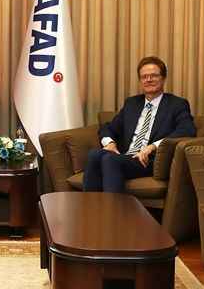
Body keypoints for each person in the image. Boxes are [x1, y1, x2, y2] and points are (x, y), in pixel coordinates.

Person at [83, 56, 196, 193]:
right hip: (126, 156)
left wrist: (153, 147)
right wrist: (110, 143)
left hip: (150, 160)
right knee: (94, 154)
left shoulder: (177, 104)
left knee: (109, 159)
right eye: (144, 77)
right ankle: (90, 205)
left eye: (154, 75)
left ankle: (113, 207)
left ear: (163, 78)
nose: (148, 80)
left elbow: (187, 130)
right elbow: (108, 128)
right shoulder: (132, 103)